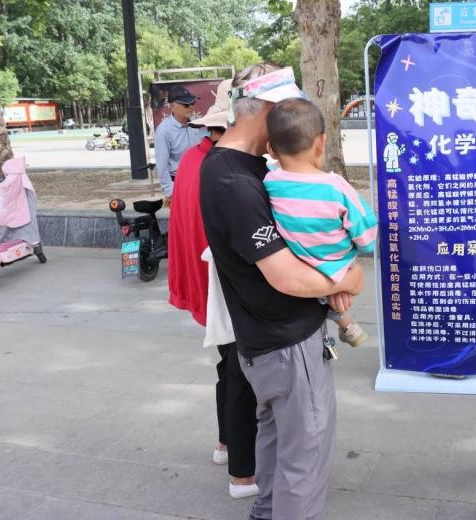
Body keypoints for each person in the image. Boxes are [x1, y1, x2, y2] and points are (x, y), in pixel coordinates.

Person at [199, 64, 364, 520]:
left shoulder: (247, 168)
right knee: (304, 459)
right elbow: (286, 277)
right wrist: (346, 279)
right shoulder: (235, 182)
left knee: (276, 445)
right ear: (266, 110)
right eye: (288, 107)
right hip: (284, 344)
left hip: (269, 343)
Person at [167, 78, 259, 500]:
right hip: (228, 287)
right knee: (240, 373)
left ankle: (225, 443)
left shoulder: (195, 160)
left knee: (227, 367)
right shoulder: (224, 169)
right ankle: (242, 472)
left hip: (210, 285)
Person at [264, 98, 377, 347]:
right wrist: (362, 247)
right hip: (337, 263)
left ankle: (345, 323)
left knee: (327, 281)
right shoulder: (336, 187)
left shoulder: (269, 183)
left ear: (270, 148)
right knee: (337, 273)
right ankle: (345, 322)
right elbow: (367, 235)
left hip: (299, 262)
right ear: (322, 142)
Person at [154, 85, 206, 208]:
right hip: (179, 182)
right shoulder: (164, 131)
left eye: (192, 103)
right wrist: (171, 193)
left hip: (200, 180)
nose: (191, 107)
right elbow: (162, 166)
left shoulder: (197, 125)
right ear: (172, 106)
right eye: (186, 104)